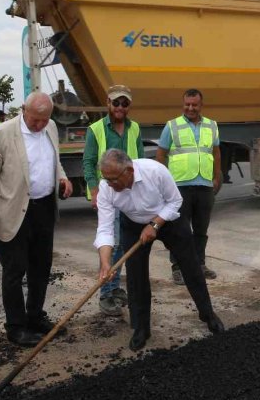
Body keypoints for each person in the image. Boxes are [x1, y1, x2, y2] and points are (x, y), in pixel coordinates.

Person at [94, 149, 225, 351]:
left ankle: (207, 314)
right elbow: (105, 228)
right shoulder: (106, 188)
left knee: (191, 266)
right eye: (106, 179)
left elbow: (175, 201)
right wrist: (105, 262)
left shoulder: (155, 171)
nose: (109, 184)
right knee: (136, 277)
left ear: (128, 171)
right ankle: (141, 328)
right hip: (133, 224)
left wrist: (155, 224)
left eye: (113, 179)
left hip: (168, 218)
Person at [0, 92, 73, 347]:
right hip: (14, 212)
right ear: (23, 110)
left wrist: (62, 177)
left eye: (44, 119)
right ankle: (16, 327)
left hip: (44, 210)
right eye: (35, 120)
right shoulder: (4, 134)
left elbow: (54, 161)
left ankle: (35, 316)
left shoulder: (50, 127)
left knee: (41, 268)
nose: (40, 125)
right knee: (14, 271)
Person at [82, 84, 142, 317]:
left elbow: (137, 163)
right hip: (108, 194)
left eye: (124, 103)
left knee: (127, 244)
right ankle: (107, 293)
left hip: (129, 193)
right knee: (112, 243)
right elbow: (88, 162)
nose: (120, 107)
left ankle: (114, 288)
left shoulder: (134, 128)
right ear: (108, 103)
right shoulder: (96, 129)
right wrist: (95, 190)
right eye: (116, 102)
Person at [155, 89, 222, 285]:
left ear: (201, 105)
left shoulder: (212, 126)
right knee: (179, 230)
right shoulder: (172, 126)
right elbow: (161, 154)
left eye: (194, 105)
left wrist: (216, 177)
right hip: (180, 187)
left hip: (204, 186)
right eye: (187, 104)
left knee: (201, 230)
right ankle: (178, 267)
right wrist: (164, 182)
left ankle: (199, 264)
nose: (190, 108)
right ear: (183, 104)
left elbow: (216, 153)